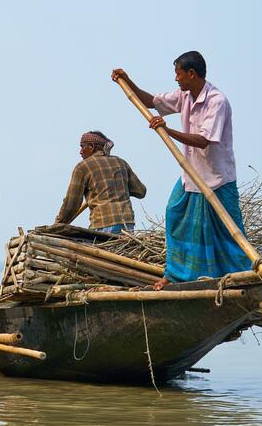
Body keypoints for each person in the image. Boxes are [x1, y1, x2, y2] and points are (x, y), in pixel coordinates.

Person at [112, 51, 251, 290]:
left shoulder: (216, 101)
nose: (176, 78)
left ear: (191, 73)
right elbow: (151, 101)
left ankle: (245, 273)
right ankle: (177, 274)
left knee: (228, 229)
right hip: (192, 173)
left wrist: (168, 131)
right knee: (175, 213)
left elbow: (203, 140)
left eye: (178, 73)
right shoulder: (184, 96)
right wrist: (127, 80)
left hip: (217, 177)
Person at [54, 130, 146, 233]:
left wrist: (57, 224)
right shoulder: (120, 162)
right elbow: (141, 191)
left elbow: (71, 204)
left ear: (92, 147)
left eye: (82, 146)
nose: (80, 151)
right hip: (127, 223)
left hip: (103, 222)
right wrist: (118, 187)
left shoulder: (83, 167)